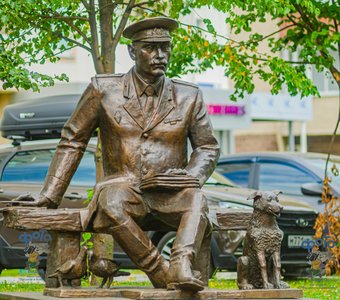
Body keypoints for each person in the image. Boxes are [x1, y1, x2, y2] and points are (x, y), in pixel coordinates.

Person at [20, 17, 220, 292]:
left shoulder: (188, 95)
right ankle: (161, 272)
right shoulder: (103, 90)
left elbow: (207, 147)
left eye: (165, 47)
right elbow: (72, 141)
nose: (160, 55)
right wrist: (48, 196)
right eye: (151, 47)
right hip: (122, 190)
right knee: (112, 203)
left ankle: (181, 264)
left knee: (197, 198)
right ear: (132, 51)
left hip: (172, 193)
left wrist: (189, 177)